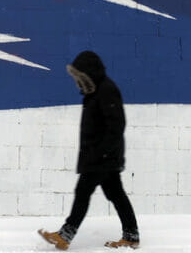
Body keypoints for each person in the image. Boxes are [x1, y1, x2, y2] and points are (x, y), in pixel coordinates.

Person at [39, 51, 139, 250]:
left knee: (83, 192)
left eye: (80, 76)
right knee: (116, 194)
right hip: (101, 156)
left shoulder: (106, 90)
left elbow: (117, 125)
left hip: (102, 157)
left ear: (89, 73)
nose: (77, 81)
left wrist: (101, 152)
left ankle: (65, 235)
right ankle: (131, 236)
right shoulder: (95, 92)